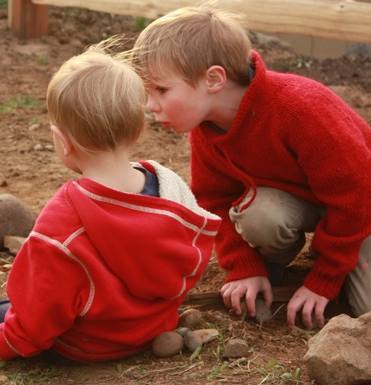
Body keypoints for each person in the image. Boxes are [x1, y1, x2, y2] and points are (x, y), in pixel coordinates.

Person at [0, 45, 221, 363]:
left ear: (62, 142)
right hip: (150, 328)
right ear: (139, 129)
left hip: (85, 343)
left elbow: (44, 302)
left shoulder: (65, 218)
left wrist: (13, 340)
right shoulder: (169, 188)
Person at [133, 6, 370, 330]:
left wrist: (324, 280)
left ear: (213, 79)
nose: (150, 105)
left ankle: (337, 258)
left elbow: (357, 196)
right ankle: (271, 269)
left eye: (161, 90)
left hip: (363, 207)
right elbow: (213, 200)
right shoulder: (207, 127)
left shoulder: (301, 108)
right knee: (259, 215)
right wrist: (243, 266)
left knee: (366, 308)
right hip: (317, 203)